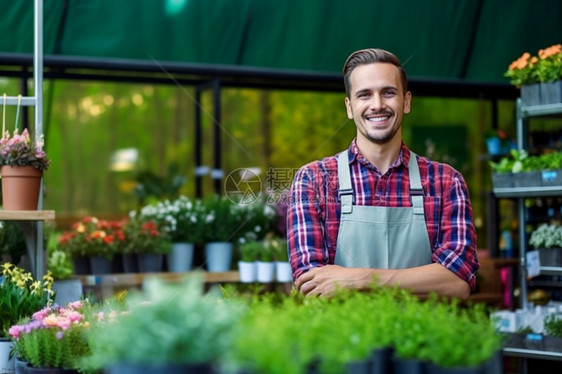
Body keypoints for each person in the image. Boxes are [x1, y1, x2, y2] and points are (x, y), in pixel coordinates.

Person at [286, 48, 479, 299]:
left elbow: (458, 282)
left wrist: (360, 279)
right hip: (341, 337)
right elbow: (311, 285)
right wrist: (420, 280)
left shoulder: (446, 182)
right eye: (364, 95)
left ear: (406, 101)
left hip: (424, 337)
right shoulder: (313, 180)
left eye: (388, 93)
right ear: (349, 107)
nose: (377, 105)